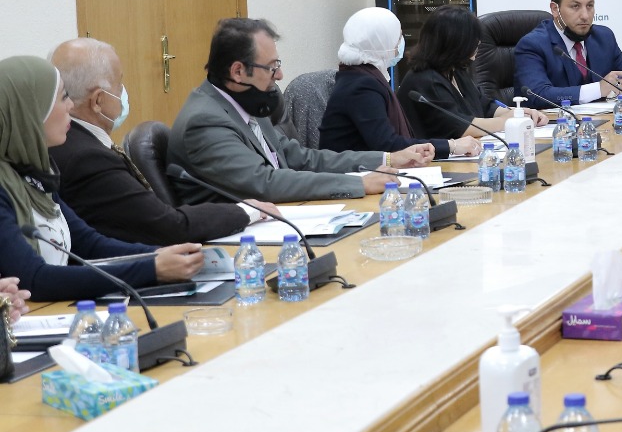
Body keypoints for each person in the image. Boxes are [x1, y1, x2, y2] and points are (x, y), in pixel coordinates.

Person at [0, 56, 204, 302]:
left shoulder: (33, 174)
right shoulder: (4, 186)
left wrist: (160, 255)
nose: (70, 106)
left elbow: (89, 245)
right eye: (63, 97)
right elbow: (35, 279)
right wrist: (151, 269)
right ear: (30, 112)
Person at [168, 18, 431, 205]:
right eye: (271, 67)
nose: (280, 75)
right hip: (235, 242)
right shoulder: (205, 121)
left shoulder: (246, 102)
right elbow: (265, 183)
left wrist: (388, 159)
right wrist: (359, 184)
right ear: (238, 71)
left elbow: (302, 158)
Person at [48, 38, 278, 245]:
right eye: (119, 85)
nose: (124, 93)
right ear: (98, 100)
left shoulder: (71, 143)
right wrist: (245, 211)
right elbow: (169, 226)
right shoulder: (87, 158)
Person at [319, 7, 480, 157]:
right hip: (355, 174)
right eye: (398, 37)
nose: (401, 43)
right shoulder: (361, 86)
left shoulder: (363, 75)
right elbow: (388, 145)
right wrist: (451, 146)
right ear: (382, 42)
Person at [397, 6, 548, 139]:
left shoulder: (455, 70)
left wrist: (520, 113)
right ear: (454, 42)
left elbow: (485, 106)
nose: (478, 43)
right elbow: (461, 127)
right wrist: (507, 121)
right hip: (433, 158)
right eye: (472, 39)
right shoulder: (425, 80)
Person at [514, 0, 622, 105]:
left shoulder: (604, 37)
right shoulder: (532, 44)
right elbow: (537, 94)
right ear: (555, 9)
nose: (585, 15)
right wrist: (598, 89)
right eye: (575, 6)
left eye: (589, 6)